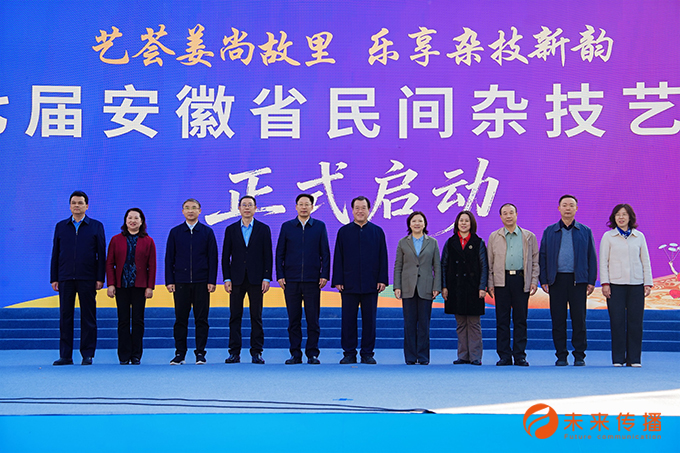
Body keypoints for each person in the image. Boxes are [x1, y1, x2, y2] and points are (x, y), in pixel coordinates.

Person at [539, 195, 597, 367]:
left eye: (571, 205)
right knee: (558, 319)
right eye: (564, 205)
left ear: (576, 209)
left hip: (578, 281)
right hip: (556, 280)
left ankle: (579, 355)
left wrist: (591, 281)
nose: (568, 208)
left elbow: (591, 257)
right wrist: (544, 279)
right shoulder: (550, 231)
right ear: (559, 208)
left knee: (579, 319)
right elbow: (543, 256)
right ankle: (561, 355)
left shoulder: (585, 231)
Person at [50, 191, 106, 366]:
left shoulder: (96, 226)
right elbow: (55, 253)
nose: (77, 205)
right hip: (65, 277)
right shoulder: (61, 226)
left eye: (80, 203)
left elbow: (101, 254)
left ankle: (87, 354)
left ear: (87, 206)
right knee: (65, 316)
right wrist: (54, 278)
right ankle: (65, 355)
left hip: (87, 277)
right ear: (69, 206)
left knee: (88, 317)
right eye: (73, 203)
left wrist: (100, 278)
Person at [332, 196, 388, 364]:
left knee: (369, 320)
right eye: (357, 208)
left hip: (371, 283)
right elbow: (338, 257)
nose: (360, 211)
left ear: (369, 210)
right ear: (352, 210)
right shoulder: (344, 232)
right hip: (348, 283)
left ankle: (367, 353)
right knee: (348, 320)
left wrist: (382, 279)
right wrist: (338, 280)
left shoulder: (377, 232)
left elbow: (383, 257)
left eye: (363, 208)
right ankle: (349, 353)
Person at [276, 194, 330, 365]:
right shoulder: (287, 227)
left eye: (307, 204)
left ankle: (312, 354)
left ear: (312, 207)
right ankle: (295, 354)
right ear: (296, 207)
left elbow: (325, 253)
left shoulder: (319, 226)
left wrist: (324, 275)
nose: (304, 207)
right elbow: (279, 253)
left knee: (313, 319)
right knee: (294, 319)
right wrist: (280, 275)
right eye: (301, 204)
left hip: (312, 280)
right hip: (291, 280)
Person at [165, 199, 218, 365]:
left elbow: (213, 258)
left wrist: (211, 280)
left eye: (194, 208)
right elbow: (169, 258)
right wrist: (169, 280)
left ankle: (200, 353)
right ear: (182, 211)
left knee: (201, 319)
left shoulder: (207, 232)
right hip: (180, 282)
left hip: (202, 282)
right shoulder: (175, 232)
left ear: (200, 211)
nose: (190, 211)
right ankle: (180, 353)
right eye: (187, 208)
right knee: (180, 319)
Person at [599, 204, 652, 367]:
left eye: (624, 214)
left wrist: (647, 283)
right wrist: (605, 283)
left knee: (636, 322)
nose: (621, 217)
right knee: (617, 322)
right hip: (615, 285)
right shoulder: (608, 236)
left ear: (630, 217)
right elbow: (603, 261)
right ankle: (618, 358)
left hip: (636, 284)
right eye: (618, 214)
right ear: (613, 218)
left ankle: (634, 359)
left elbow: (645, 260)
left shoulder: (639, 236)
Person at [487, 203, 539, 367]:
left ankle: (519, 355)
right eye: (505, 213)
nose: (508, 216)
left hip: (521, 280)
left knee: (520, 319)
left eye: (511, 213)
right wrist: (490, 283)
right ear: (500, 217)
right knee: (502, 320)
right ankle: (504, 356)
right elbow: (489, 262)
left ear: (516, 215)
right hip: (501, 281)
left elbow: (535, 261)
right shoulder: (494, 236)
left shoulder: (528, 236)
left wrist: (533, 280)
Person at [222, 195, 273, 365]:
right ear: (239, 208)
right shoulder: (231, 229)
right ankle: (234, 352)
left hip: (257, 279)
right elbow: (225, 256)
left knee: (256, 316)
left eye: (250, 205)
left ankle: (256, 352)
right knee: (235, 316)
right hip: (236, 279)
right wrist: (227, 278)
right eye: (244, 205)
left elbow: (268, 255)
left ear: (255, 208)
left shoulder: (263, 229)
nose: (247, 208)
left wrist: (266, 277)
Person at [105, 208, 156, 365]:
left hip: (140, 286)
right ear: (125, 221)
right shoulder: (116, 240)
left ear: (141, 221)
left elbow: (152, 265)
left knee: (138, 321)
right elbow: (110, 263)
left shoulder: (148, 241)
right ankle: (124, 355)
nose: (132, 221)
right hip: (121, 286)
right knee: (123, 320)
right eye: (130, 218)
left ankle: (136, 355)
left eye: (136, 218)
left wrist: (150, 287)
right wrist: (111, 284)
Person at [441, 211, 488, 366]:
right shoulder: (450, 242)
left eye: (466, 221)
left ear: (471, 223)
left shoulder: (478, 242)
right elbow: (443, 265)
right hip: (455, 288)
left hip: (474, 288)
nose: (463, 223)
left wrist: (482, 287)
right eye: (461, 220)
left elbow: (484, 266)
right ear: (457, 223)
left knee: (474, 323)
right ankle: (463, 355)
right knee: (461, 323)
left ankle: (475, 356)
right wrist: (444, 286)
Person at [393, 211, 441, 365]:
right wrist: (397, 286)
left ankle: (423, 356)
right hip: (408, 287)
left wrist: (437, 286)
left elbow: (437, 267)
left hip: (426, 287)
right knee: (409, 324)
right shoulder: (403, 242)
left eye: (420, 221)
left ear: (425, 224)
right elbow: (398, 266)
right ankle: (410, 357)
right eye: (414, 221)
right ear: (409, 224)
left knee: (424, 324)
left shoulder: (432, 242)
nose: (417, 224)